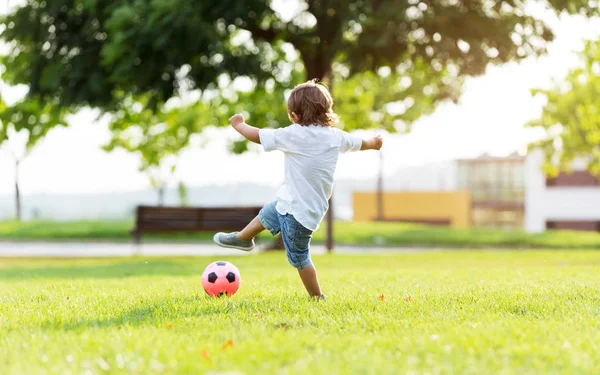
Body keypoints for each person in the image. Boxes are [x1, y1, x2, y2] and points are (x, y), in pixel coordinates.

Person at [213, 80, 383, 299]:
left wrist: (239, 125)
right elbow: (360, 142)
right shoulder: (336, 136)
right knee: (268, 212)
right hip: (297, 204)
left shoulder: (293, 134)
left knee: (300, 257)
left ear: (295, 115)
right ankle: (243, 239)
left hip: (299, 214)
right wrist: (374, 142)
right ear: (326, 110)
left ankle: (316, 296)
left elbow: (258, 135)